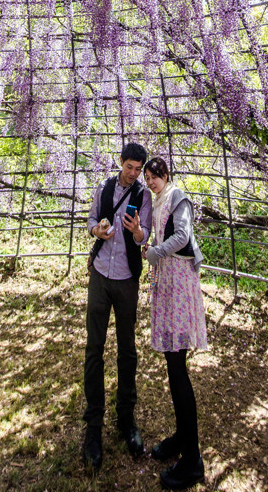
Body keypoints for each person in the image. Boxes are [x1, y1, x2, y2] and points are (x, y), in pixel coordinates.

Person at [82, 142, 153, 471]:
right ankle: (92, 427)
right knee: (94, 348)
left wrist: (137, 231)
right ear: (121, 162)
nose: (134, 173)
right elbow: (91, 220)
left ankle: (127, 418)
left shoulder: (144, 196)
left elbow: (145, 236)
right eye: (130, 167)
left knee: (127, 349)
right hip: (100, 275)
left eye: (139, 169)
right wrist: (98, 229)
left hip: (126, 279)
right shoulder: (104, 187)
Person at [144, 155, 207, 491]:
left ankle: (193, 460)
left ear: (166, 175)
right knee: (173, 365)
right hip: (167, 284)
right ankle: (182, 439)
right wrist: (148, 244)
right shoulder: (158, 202)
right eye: (148, 178)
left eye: (155, 177)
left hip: (180, 284)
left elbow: (182, 236)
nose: (151, 182)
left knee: (177, 367)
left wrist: (156, 252)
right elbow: (159, 236)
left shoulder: (178, 196)